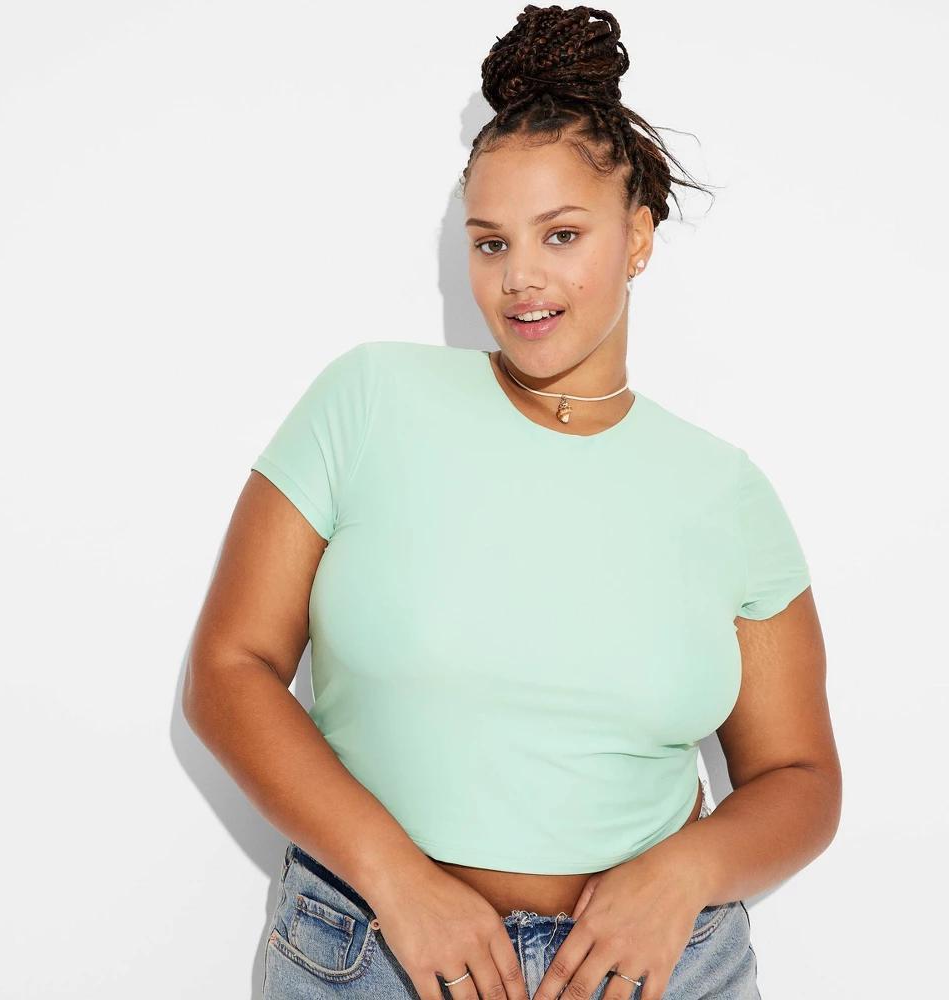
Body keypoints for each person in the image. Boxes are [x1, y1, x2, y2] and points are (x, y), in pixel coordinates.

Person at [183, 5, 841, 999]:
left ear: (638, 237)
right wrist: (400, 882)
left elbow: (800, 777)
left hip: (660, 971)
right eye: (489, 244)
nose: (520, 278)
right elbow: (229, 671)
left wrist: (686, 873)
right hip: (375, 956)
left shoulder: (725, 490)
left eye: (561, 235)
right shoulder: (370, 401)